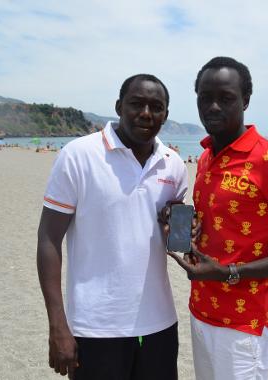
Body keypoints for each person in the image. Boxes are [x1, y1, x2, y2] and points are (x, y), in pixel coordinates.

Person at [164, 57, 268, 379]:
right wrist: (184, 222)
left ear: (246, 101)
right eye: (204, 98)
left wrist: (229, 272)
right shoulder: (208, 156)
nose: (213, 107)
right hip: (200, 312)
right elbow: (220, 221)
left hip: (244, 327)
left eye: (226, 98)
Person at [37, 74, 188, 380]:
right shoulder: (78, 155)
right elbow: (48, 240)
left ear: (165, 116)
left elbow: (180, 244)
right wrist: (57, 325)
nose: (146, 113)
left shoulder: (174, 164)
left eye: (156, 107)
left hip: (160, 324)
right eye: (136, 104)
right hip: (95, 327)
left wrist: (184, 225)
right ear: (119, 106)